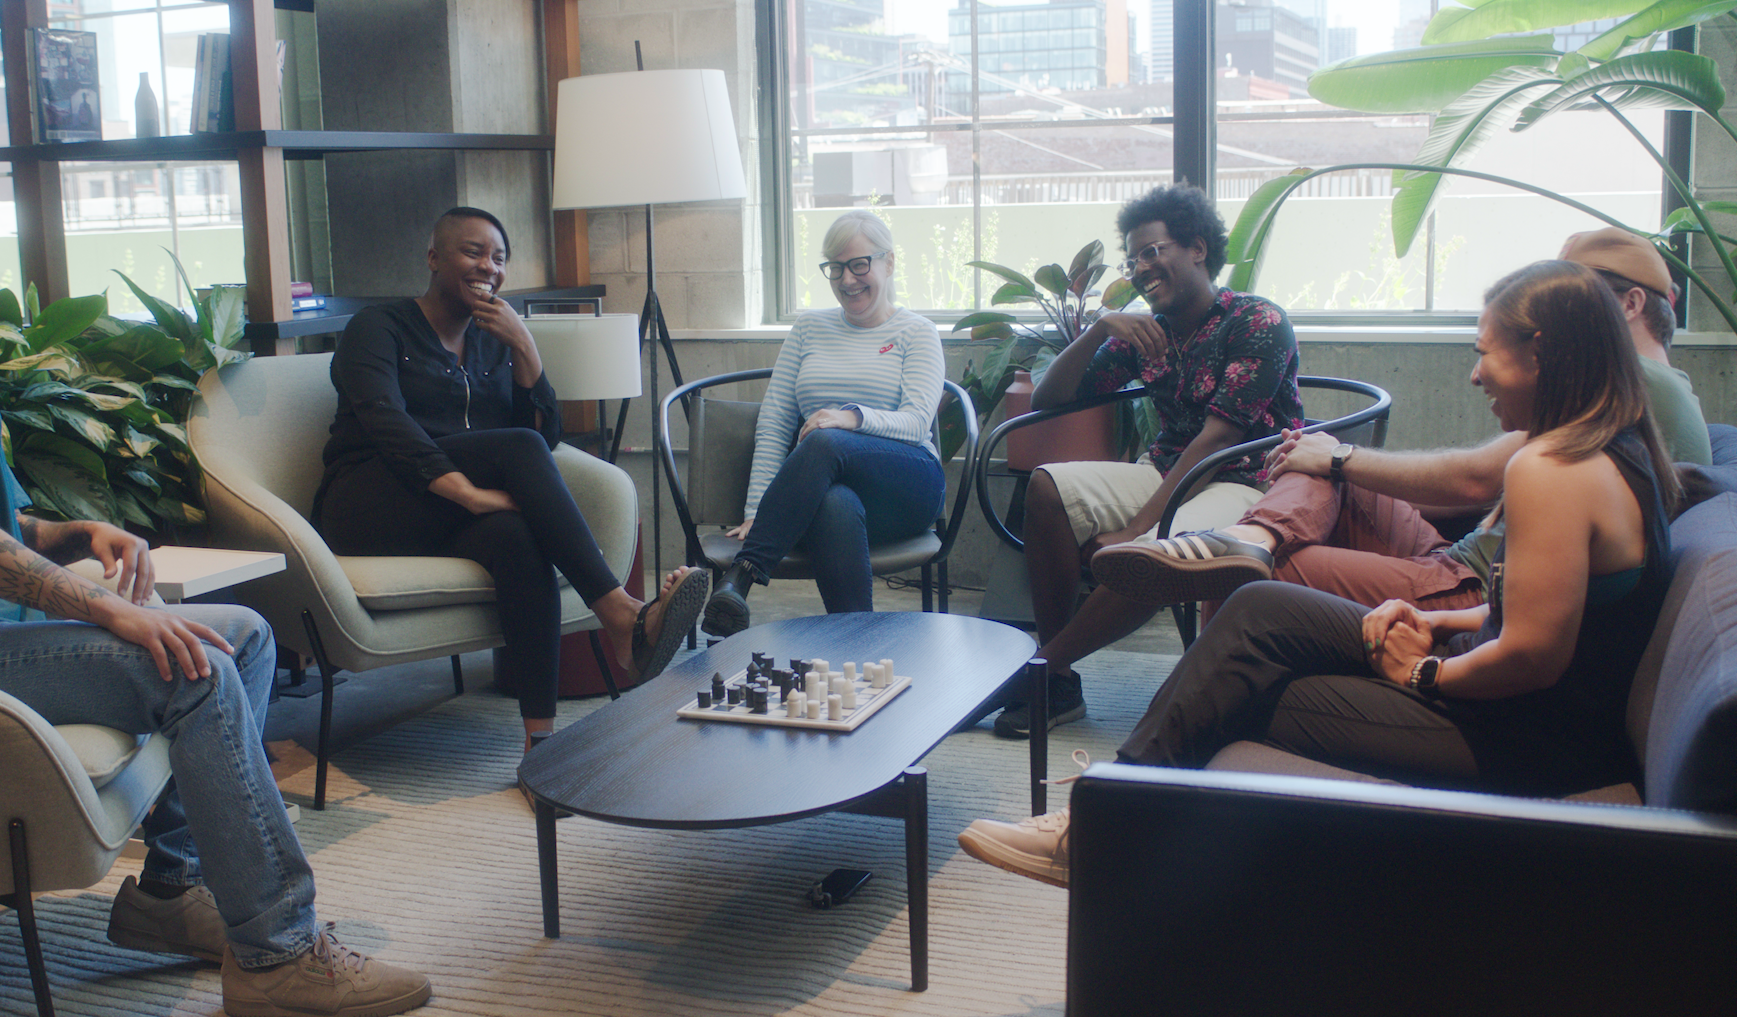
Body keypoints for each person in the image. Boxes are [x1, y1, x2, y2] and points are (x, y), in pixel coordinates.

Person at [0, 224, 432, 1017]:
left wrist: (74, 533)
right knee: (189, 664)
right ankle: (278, 952)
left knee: (241, 635)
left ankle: (172, 896)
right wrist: (113, 610)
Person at [961, 260, 1678, 887]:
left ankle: (1098, 826)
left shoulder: (1553, 472)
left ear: (1541, 351)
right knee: (1254, 625)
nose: (1474, 372)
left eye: (1486, 352)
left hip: (1530, 742)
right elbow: (1539, 614)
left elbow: (1532, 656)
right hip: (1528, 712)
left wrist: (1424, 675)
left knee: (1238, 674)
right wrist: (1436, 621)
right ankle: (1111, 816)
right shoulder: (1615, 449)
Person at [1089, 226, 1708, 614]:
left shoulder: (1626, 393)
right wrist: (1334, 463)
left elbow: (1474, 481)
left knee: (1271, 567)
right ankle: (1254, 538)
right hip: (1475, 551)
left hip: (1474, 578)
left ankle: (1247, 555)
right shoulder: (1604, 398)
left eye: (1581, 293)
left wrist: (1340, 460)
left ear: (1615, 310)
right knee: (1318, 461)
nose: (1477, 372)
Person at [312, 207, 709, 757]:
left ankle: (538, 743)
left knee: (520, 542)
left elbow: (540, 441)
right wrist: (468, 493)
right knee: (512, 460)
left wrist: (525, 347)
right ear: (433, 258)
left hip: (443, 515)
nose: (488, 267)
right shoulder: (378, 328)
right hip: (369, 502)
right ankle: (619, 615)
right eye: (472, 252)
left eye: (499, 258)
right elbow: (385, 421)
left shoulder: (493, 339)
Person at [987, 183, 1303, 739]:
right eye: (1134, 257)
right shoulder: (1145, 335)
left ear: (1197, 249)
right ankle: (1058, 682)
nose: (1141, 266)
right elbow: (1047, 400)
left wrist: (1139, 528)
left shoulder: (1256, 321)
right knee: (1046, 488)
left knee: (1153, 553)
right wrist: (1098, 331)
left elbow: (1218, 438)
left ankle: (1042, 669)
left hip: (1250, 479)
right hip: (1169, 470)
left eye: (1154, 251)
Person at [700, 209, 946, 635]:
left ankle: (741, 576)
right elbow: (775, 421)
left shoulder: (917, 332)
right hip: (822, 492)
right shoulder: (808, 328)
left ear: (889, 263)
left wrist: (850, 418)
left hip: (907, 485)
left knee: (826, 438)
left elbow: (917, 422)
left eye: (859, 264)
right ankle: (858, 647)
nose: (847, 280)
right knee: (835, 502)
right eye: (835, 268)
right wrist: (760, 508)